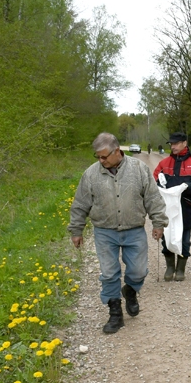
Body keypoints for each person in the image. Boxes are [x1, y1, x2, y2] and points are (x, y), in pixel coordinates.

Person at [68, 133, 168, 334]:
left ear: (117, 151)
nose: (101, 160)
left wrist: (158, 222)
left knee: (139, 271)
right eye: (97, 157)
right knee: (109, 273)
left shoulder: (139, 169)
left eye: (104, 156)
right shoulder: (91, 174)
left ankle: (130, 290)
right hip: (104, 232)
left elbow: (152, 197)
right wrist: (76, 230)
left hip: (134, 229)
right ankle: (115, 313)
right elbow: (80, 204)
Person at [153, 132, 191, 281]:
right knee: (167, 238)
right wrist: (159, 183)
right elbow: (154, 178)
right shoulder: (164, 163)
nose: (173, 146)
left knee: (185, 239)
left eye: (176, 143)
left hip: (186, 206)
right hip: (167, 208)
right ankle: (170, 267)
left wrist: (187, 186)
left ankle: (180, 269)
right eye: (171, 144)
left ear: (184, 143)